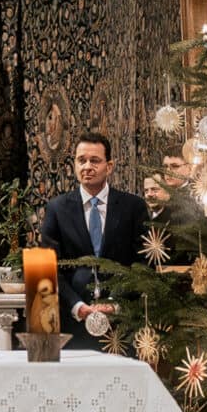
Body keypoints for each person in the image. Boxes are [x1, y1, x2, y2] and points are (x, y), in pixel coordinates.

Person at [37, 132, 146, 340]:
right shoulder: (57, 209)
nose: (87, 167)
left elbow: (142, 263)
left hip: (122, 324)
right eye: (81, 160)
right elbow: (48, 266)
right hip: (73, 322)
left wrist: (116, 302)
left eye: (95, 161)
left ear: (110, 166)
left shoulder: (133, 207)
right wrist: (76, 305)